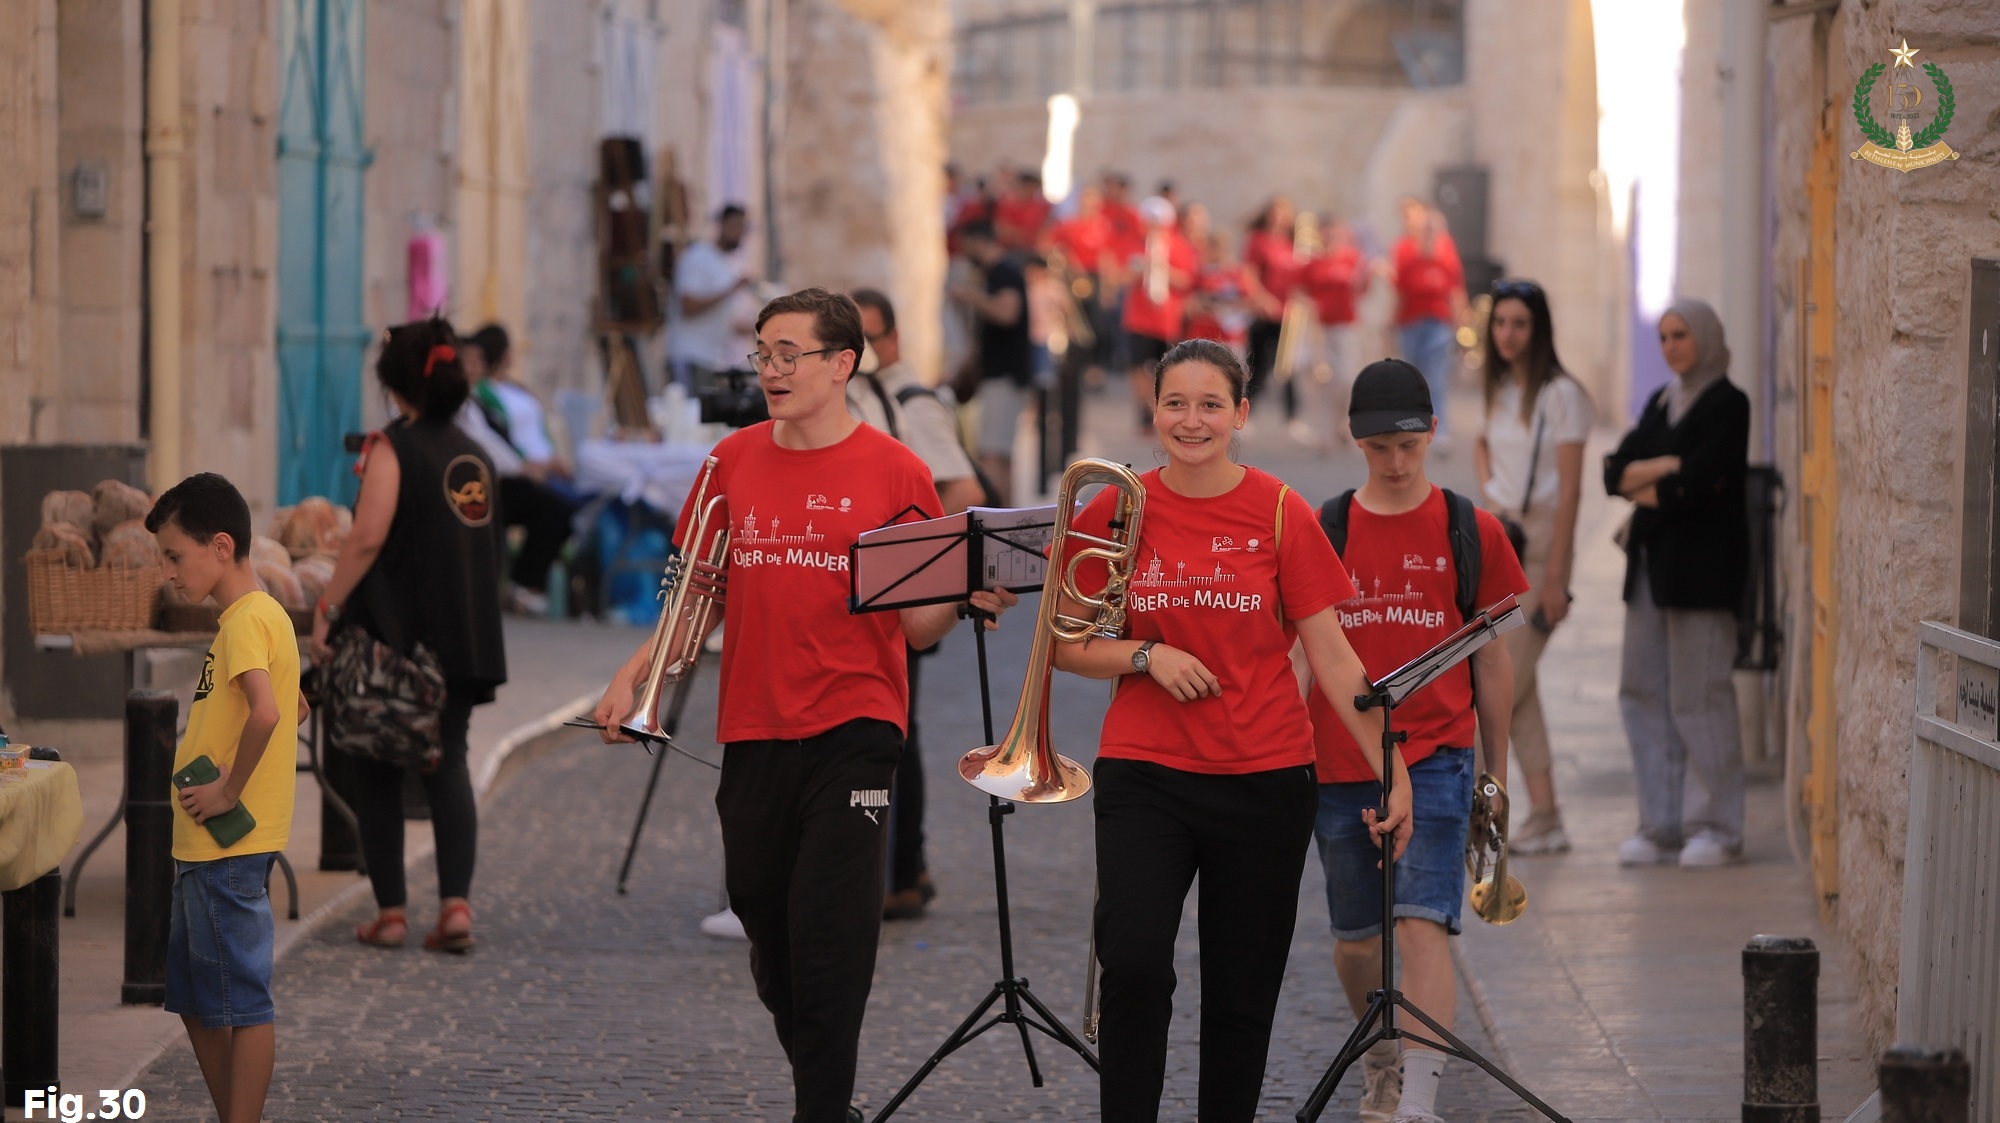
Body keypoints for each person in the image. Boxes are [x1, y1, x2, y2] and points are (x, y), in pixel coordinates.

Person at [591, 288, 1018, 1123]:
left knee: (831, 933)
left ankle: (819, 1112)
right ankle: (828, 1092)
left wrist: (969, 591)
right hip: (753, 724)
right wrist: (635, 677)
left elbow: (919, 627)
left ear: (841, 364)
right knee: (763, 918)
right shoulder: (731, 462)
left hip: (857, 726)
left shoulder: (895, 469)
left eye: (790, 354)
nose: (772, 370)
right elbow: (696, 597)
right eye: (763, 352)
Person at [1053, 338, 1411, 1123]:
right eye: (1175, 403)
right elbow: (1065, 642)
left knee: (1241, 996)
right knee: (1137, 967)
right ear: (1154, 410)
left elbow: (1336, 658)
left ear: (1241, 413)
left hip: (1266, 777)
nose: (1192, 420)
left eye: (1210, 404)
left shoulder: (1280, 509)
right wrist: (1147, 654)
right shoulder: (1116, 504)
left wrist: (1393, 767)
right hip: (1144, 773)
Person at [1308, 359, 1526, 1123]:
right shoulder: (1323, 528)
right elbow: (1298, 649)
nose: (1397, 464)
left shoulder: (1472, 528)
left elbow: (1492, 656)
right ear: (1356, 442)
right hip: (1340, 761)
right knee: (1358, 940)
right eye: (1379, 449)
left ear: (1433, 432)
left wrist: (1495, 775)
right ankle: (1383, 1061)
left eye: (1408, 445)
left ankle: (1419, 1102)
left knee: (1421, 919)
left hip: (1437, 753)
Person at [314, 317, 508, 952]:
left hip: (400, 641)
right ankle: (456, 908)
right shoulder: (470, 451)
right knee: (446, 761)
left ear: (393, 383)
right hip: (465, 635)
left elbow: (366, 536)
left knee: (376, 767)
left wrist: (328, 606)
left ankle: (391, 912)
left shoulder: (393, 447)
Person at [148, 472, 303, 1123]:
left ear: (220, 545)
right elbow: (291, 705)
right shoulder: (259, 616)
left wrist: (228, 788)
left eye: (175, 556)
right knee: (195, 996)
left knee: (241, 1000)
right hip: (212, 843)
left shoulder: (245, 620)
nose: (169, 572)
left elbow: (267, 714)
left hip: (226, 844)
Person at [847, 287, 983, 919]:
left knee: (894, 731)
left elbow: (963, 490)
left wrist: (935, 570)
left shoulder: (908, 403)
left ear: (893, 341)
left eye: (868, 339)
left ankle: (900, 868)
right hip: (852, 592)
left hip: (900, 591)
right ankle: (904, 867)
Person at [1604, 297, 1750, 869]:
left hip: (1702, 574)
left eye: (1681, 335)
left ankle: (1715, 825)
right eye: (1663, 337)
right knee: (1642, 691)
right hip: (1650, 568)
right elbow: (1615, 472)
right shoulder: (1662, 401)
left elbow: (1701, 480)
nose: (1671, 347)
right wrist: (1664, 470)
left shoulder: (1728, 403)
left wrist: (1662, 476)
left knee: (1700, 696)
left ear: (1706, 337)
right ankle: (1660, 823)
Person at [1472, 280, 1592, 855]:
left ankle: (1478, 816)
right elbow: (1480, 445)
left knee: (1496, 685)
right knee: (1521, 688)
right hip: (1503, 536)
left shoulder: (1561, 394)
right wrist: (1490, 494)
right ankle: (1546, 815)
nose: (1508, 334)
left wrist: (1555, 581)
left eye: (1520, 324)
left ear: (1538, 328)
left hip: (1540, 543)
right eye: (1501, 323)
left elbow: (1570, 493)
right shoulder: (1498, 388)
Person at [457, 330, 577, 615]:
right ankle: (522, 586)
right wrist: (524, 468)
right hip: (488, 483)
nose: (475, 369)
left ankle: (523, 586)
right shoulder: (464, 402)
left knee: (559, 506)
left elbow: (495, 443)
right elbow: (486, 447)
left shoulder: (475, 399)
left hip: (506, 475)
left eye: (478, 362)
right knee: (551, 507)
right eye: (469, 362)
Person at [951, 219, 1032, 504]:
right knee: (1000, 452)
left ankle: (995, 520)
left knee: (993, 453)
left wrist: (971, 296)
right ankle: (1006, 518)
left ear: (977, 241)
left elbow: (1007, 313)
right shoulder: (999, 272)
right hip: (1002, 374)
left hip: (1004, 375)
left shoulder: (1004, 272)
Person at [1389, 199, 1467, 448]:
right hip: (1410, 320)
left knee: (1436, 377)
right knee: (1411, 377)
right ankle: (1411, 426)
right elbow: (1399, 288)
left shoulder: (1445, 247)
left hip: (1438, 320)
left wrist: (1461, 319)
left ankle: (1439, 428)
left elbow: (1455, 285)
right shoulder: (1403, 248)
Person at [1119, 196, 1197, 433]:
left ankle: (1167, 410)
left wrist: (1161, 267)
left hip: (1167, 319)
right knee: (1136, 366)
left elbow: (1186, 280)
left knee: (1168, 368)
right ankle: (1144, 410)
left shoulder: (1179, 245)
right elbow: (1121, 276)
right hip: (1139, 317)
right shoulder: (1134, 244)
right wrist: (1140, 267)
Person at [1296, 216, 1370, 449]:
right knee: (1324, 378)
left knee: (1347, 378)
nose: (1329, 238)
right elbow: (1298, 291)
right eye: (1325, 233)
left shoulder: (1352, 259)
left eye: (1333, 233)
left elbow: (1363, 289)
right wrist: (1309, 303)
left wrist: (1368, 278)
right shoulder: (1313, 264)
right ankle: (1323, 431)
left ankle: (1341, 422)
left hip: (1346, 325)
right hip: (1321, 327)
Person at [670, 203, 759, 390]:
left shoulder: (727, 265)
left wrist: (758, 327)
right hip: (689, 355)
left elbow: (723, 321)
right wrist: (731, 289)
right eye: (737, 226)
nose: (740, 233)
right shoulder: (697, 257)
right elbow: (688, 307)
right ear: (722, 224)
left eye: (744, 228)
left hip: (712, 360)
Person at [1243, 196, 1303, 405]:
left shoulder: (1295, 243)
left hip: (1290, 315)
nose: (1279, 216)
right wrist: (1261, 299)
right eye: (1275, 211)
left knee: (1289, 365)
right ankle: (1246, 408)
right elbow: (1249, 274)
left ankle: (1291, 415)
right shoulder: (1258, 240)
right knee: (1258, 363)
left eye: (1283, 211)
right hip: (1265, 312)